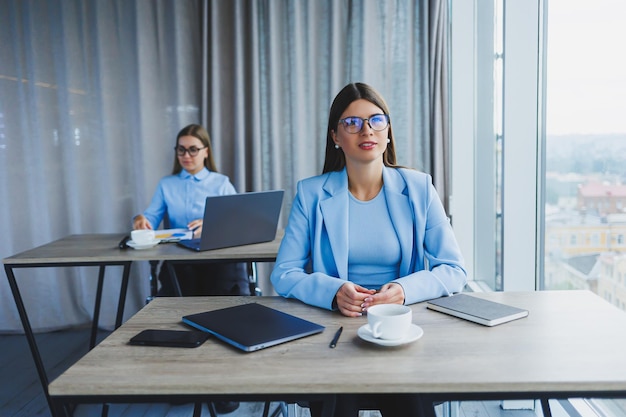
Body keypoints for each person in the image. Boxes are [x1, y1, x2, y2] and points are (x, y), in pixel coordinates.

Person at [270, 83, 467, 417]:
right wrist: (334, 292)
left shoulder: (419, 188)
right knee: (336, 405)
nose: (366, 130)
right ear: (335, 136)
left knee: (412, 405)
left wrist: (404, 290)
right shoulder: (311, 193)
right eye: (352, 122)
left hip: (401, 328)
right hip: (336, 330)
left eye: (376, 120)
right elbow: (284, 274)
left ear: (387, 131)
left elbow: (454, 269)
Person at [132, 124, 247, 414]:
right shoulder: (167, 184)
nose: (186, 155)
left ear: (206, 152)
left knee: (222, 320)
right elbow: (152, 216)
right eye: (181, 149)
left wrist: (211, 225)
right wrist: (141, 220)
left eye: (193, 149)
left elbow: (240, 224)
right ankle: (184, 382)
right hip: (181, 264)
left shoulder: (221, 182)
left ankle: (222, 387)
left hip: (219, 264)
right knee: (175, 319)